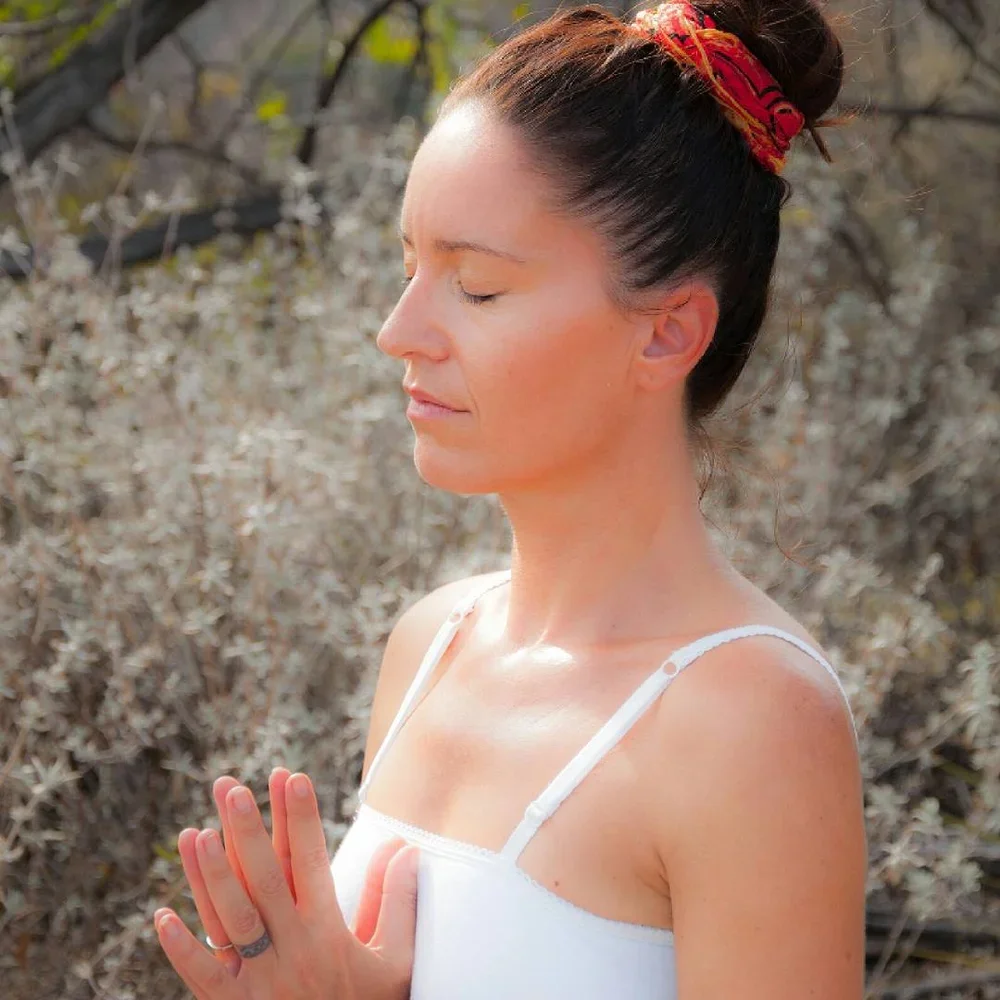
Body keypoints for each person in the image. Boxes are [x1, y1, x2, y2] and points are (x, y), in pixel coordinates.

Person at [152, 1, 867, 997]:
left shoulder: (750, 720)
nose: (399, 330)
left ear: (664, 333)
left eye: (475, 287)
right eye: (409, 267)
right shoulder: (431, 644)